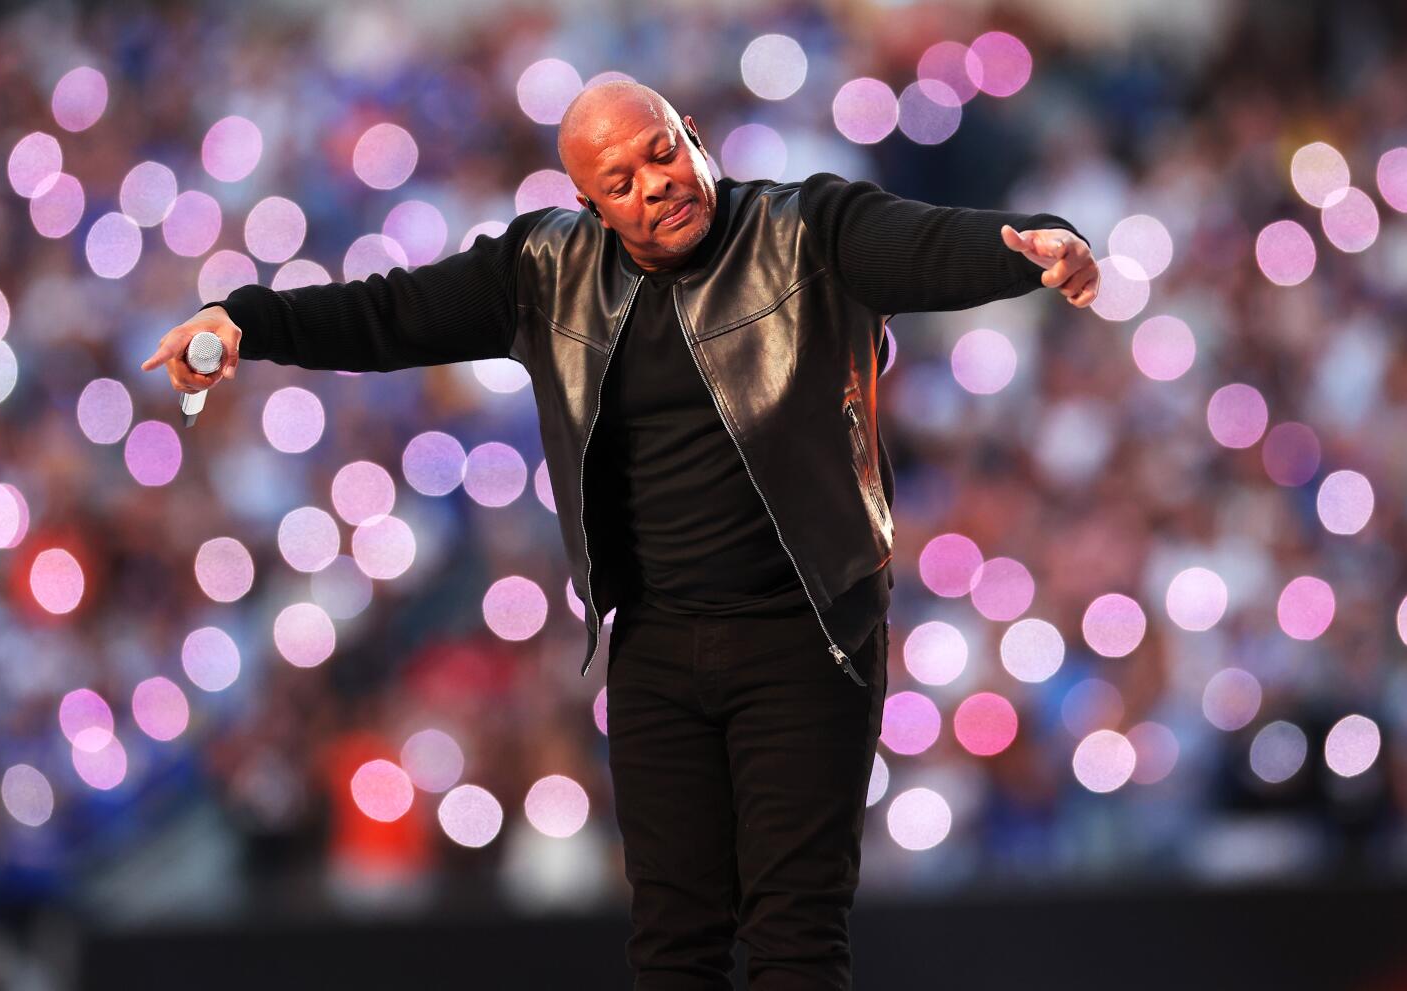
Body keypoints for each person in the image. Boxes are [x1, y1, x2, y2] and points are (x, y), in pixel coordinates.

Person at [142, 81, 1096, 989]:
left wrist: (1030, 252)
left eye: (662, 153)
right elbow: (391, 311)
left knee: (796, 933)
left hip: (807, 634)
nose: (657, 187)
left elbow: (924, 247)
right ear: (589, 204)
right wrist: (245, 321)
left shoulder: (806, 228)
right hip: (652, 644)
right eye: (622, 183)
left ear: (689, 130)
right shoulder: (543, 270)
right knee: (672, 943)